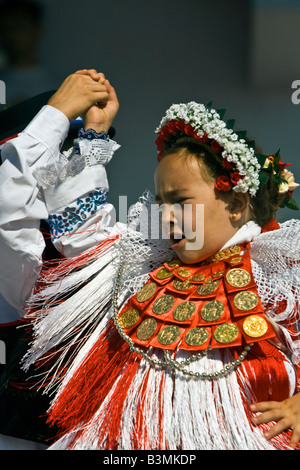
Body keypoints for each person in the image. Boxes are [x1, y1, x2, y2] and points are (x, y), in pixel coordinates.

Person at [0, 69, 300, 450]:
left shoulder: (276, 271)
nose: (167, 215)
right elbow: (82, 221)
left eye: (181, 201)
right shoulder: (138, 266)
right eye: (161, 202)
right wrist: (93, 137)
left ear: (238, 204)